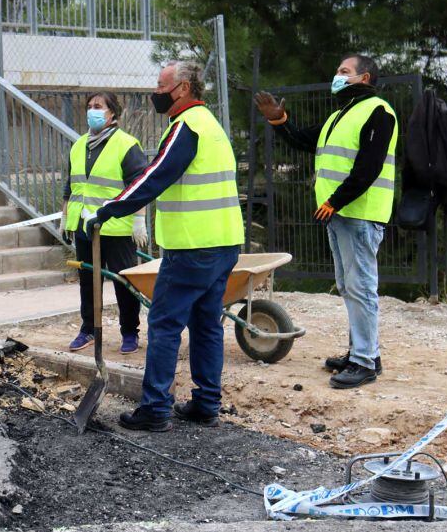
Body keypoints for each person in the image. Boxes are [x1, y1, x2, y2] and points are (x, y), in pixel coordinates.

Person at [87, 61, 243, 432]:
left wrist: (109, 209)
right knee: (206, 323)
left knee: (163, 322)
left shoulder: (186, 126)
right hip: (223, 242)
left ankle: (156, 406)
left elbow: (154, 176)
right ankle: (207, 403)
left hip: (193, 246)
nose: (156, 92)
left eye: (161, 85)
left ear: (184, 88)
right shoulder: (212, 125)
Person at [254, 54, 397, 390]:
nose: (337, 75)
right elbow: (304, 140)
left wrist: (336, 201)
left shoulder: (378, 111)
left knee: (360, 288)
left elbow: (368, 167)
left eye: (344, 71)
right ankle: (362, 352)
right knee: (350, 286)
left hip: (359, 214)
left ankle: (365, 362)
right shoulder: (339, 115)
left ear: (364, 78)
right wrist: (280, 121)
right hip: (339, 214)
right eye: (337, 70)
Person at [60, 91, 148, 355]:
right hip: (84, 227)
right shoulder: (79, 146)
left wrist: (139, 220)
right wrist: (65, 217)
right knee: (88, 280)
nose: (92, 111)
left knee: (124, 281)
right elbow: (70, 186)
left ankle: (130, 332)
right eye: (89, 106)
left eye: (98, 106)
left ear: (112, 113)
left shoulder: (126, 144)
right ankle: (88, 329)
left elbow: (140, 185)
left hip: (116, 227)